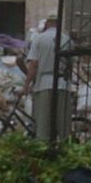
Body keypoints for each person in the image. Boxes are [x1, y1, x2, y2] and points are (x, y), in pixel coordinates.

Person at [22, 12, 71, 141]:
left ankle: (44, 149)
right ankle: (66, 147)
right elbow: (71, 65)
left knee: (43, 123)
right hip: (62, 84)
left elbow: (33, 64)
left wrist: (26, 85)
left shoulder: (39, 38)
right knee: (63, 123)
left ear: (47, 23)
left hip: (43, 83)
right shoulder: (67, 40)